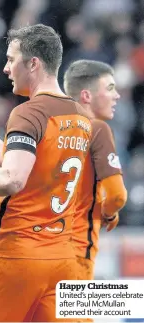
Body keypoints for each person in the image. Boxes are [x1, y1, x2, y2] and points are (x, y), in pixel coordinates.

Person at [0, 24, 91, 322]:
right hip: (64, 259)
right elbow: (31, 167)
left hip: (15, 257)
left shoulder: (28, 112)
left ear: (33, 63)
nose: (5, 68)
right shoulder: (79, 116)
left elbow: (12, 178)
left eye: (12, 60)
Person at [63, 60, 127, 281]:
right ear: (87, 96)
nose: (117, 95)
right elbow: (117, 196)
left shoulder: (47, 127)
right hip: (77, 248)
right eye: (110, 88)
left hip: (39, 248)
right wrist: (108, 212)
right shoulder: (97, 129)